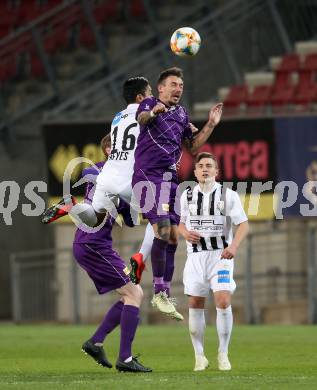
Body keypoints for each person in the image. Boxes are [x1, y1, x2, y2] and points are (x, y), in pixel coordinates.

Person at [41, 76, 153, 283]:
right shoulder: (146, 112)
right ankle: (141, 257)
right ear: (140, 97)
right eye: (150, 93)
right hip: (127, 178)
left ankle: (71, 205)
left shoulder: (117, 117)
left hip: (110, 179)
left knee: (94, 216)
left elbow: (129, 220)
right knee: (160, 217)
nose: (152, 97)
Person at [131, 67, 223, 318]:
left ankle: (163, 292)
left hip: (170, 179)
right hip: (149, 175)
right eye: (173, 84)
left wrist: (211, 125)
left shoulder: (181, 113)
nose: (178, 89)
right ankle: (158, 292)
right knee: (162, 229)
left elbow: (193, 145)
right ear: (161, 88)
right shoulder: (149, 102)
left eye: (181, 86)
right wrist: (152, 112)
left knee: (172, 236)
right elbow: (141, 120)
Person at [74, 135, 152, 373]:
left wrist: (141, 207)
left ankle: (96, 342)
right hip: (92, 244)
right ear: (109, 149)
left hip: (97, 245)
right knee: (134, 292)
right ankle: (124, 359)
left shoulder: (122, 177)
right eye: (124, 148)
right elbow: (92, 180)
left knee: (131, 293)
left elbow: (129, 220)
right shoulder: (97, 170)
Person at [178, 152, 249, 372]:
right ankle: (200, 356)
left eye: (209, 165)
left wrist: (233, 247)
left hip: (220, 256)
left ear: (217, 171)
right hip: (196, 258)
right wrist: (185, 233)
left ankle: (223, 353)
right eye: (200, 166)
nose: (205, 169)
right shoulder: (186, 196)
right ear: (195, 171)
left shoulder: (228, 195)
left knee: (223, 300)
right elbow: (180, 223)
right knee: (195, 305)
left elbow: (244, 225)